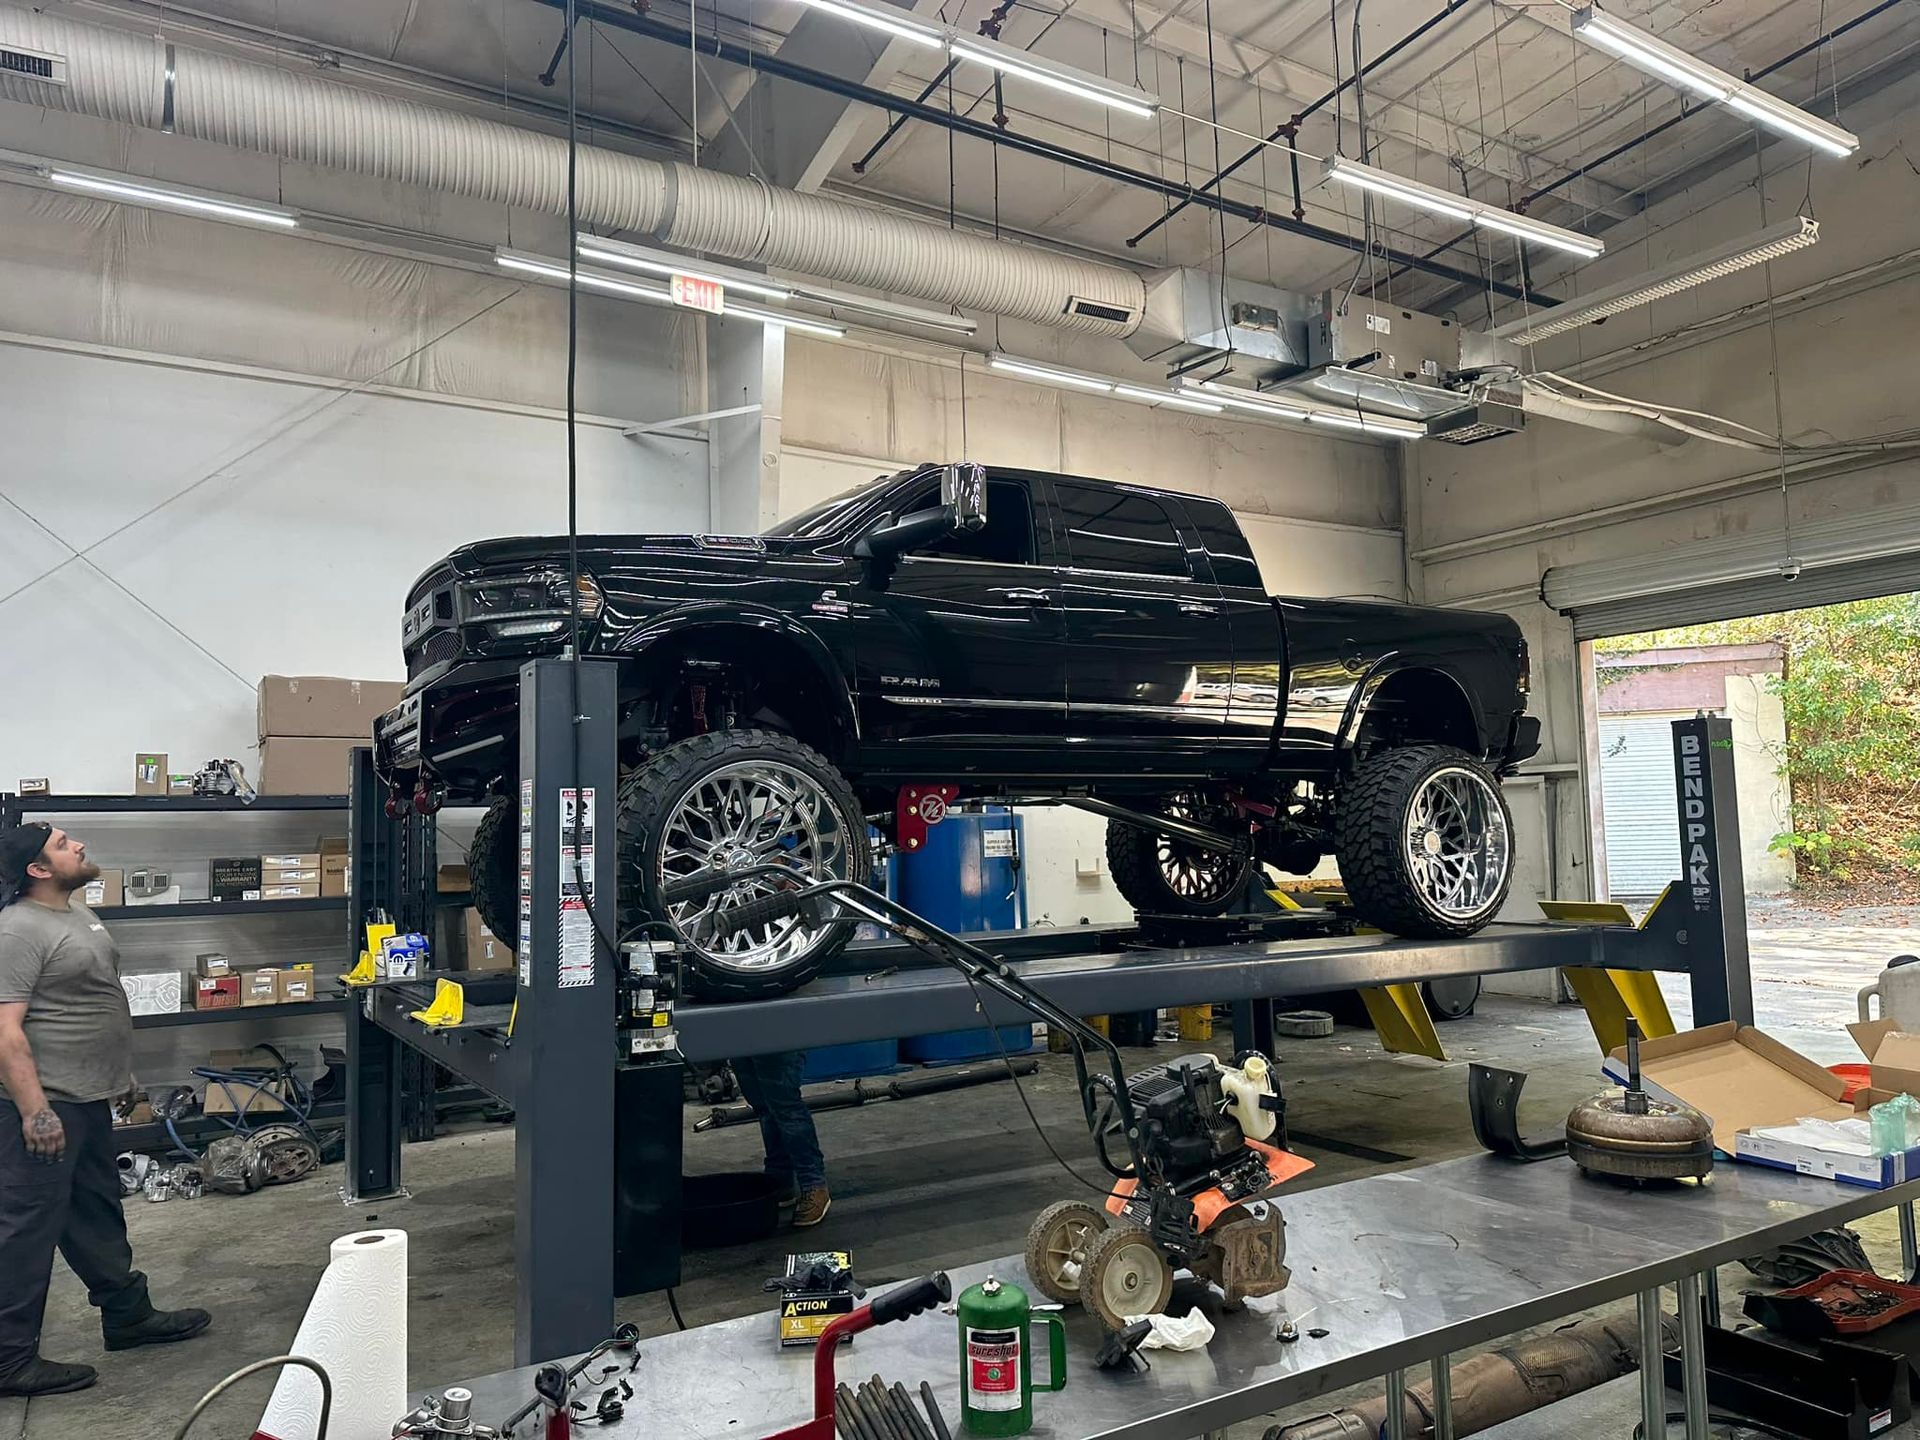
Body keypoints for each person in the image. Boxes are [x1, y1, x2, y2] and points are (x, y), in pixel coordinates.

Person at [0, 823, 211, 1398]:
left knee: (95, 1210)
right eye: (62, 844)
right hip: (45, 1103)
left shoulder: (75, 912)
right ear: (38, 870)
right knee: (26, 1228)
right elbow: (5, 1031)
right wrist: (34, 1111)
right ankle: (8, 1359)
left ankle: (127, 1316)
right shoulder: (17, 929)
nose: (78, 846)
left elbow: (89, 1000)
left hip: (86, 1094)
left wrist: (119, 1075)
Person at [732, 1052, 830, 1226]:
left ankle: (814, 1184)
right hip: (739, 1040)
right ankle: (780, 1179)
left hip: (774, 1039)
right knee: (764, 1108)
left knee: (786, 1108)